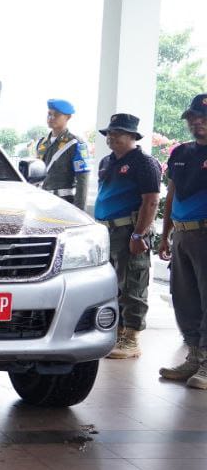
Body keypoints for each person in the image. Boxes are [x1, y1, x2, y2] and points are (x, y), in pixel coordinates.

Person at [94, 113, 160, 359]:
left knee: (133, 283)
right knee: (111, 286)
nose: (111, 137)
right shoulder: (106, 162)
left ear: (132, 136)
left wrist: (138, 234)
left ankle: (131, 338)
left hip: (129, 231)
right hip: (107, 230)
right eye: (110, 133)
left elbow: (151, 201)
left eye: (118, 133)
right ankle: (117, 331)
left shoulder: (144, 163)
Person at [158, 94, 207, 389]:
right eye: (193, 118)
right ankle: (194, 356)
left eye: (203, 118)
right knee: (184, 298)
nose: (197, 122)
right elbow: (171, 194)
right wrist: (165, 234)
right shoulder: (180, 153)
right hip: (182, 233)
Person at [35, 99, 91, 209]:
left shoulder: (75, 144)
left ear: (68, 117)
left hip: (63, 204)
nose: (51, 117)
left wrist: (79, 211)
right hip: (41, 202)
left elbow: (82, 181)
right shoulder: (42, 143)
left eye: (56, 115)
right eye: (49, 114)